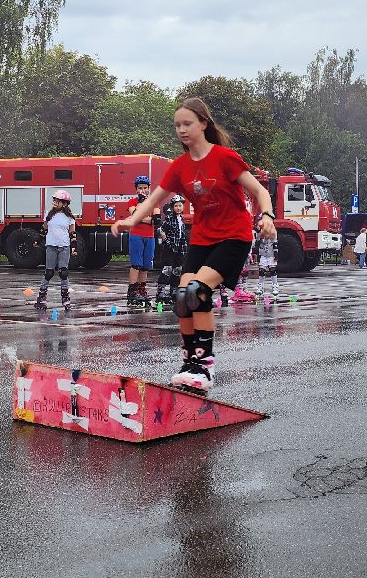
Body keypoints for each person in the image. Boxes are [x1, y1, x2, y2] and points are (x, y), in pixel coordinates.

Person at [111, 96, 274, 393]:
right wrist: (131, 221)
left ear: (203, 124)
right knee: (182, 297)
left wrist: (267, 216)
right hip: (202, 238)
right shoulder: (180, 166)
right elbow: (155, 199)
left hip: (233, 237)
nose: (182, 130)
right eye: (177, 126)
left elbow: (259, 191)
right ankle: (189, 363)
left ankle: (205, 365)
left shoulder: (225, 158)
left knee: (198, 291)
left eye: (187, 124)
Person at [37, 189, 78, 310]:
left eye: (57, 200)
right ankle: (41, 298)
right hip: (51, 246)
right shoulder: (49, 215)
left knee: (63, 272)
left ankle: (65, 298)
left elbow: (72, 233)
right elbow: (44, 230)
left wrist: (74, 248)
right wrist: (38, 241)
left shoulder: (70, 217)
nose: (54, 202)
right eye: (54, 200)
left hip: (64, 247)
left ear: (64, 203)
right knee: (49, 272)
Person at [124, 175, 157, 309]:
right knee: (136, 264)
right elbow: (135, 215)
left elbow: (156, 220)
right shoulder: (132, 201)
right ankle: (132, 291)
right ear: (136, 190)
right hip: (136, 235)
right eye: (140, 188)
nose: (142, 190)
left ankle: (142, 289)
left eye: (145, 188)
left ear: (149, 189)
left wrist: (141, 217)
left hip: (150, 236)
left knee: (145, 266)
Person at [153, 195, 189, 308]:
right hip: (169, 249)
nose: (178, 208)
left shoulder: (182, 219)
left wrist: (184, 248)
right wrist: (166, 241)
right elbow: (161, 230)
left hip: (179, 249)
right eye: (176, 206)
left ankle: (173, 291)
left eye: (180, 206)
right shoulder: (169, 218)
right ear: (172, 207)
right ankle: (160, 293)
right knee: (167, 270)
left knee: (177, 270)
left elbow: (183, 234)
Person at [252, 223, 280, 304]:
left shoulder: (272, 230)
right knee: (262, 270)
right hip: (263, 253)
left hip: (271, 253)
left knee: (272, 270)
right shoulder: (259, 231)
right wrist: (258, 235)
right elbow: (256, 242)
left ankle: (275, 286)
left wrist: (276, 254)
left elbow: (275, 243)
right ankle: (260, 286)